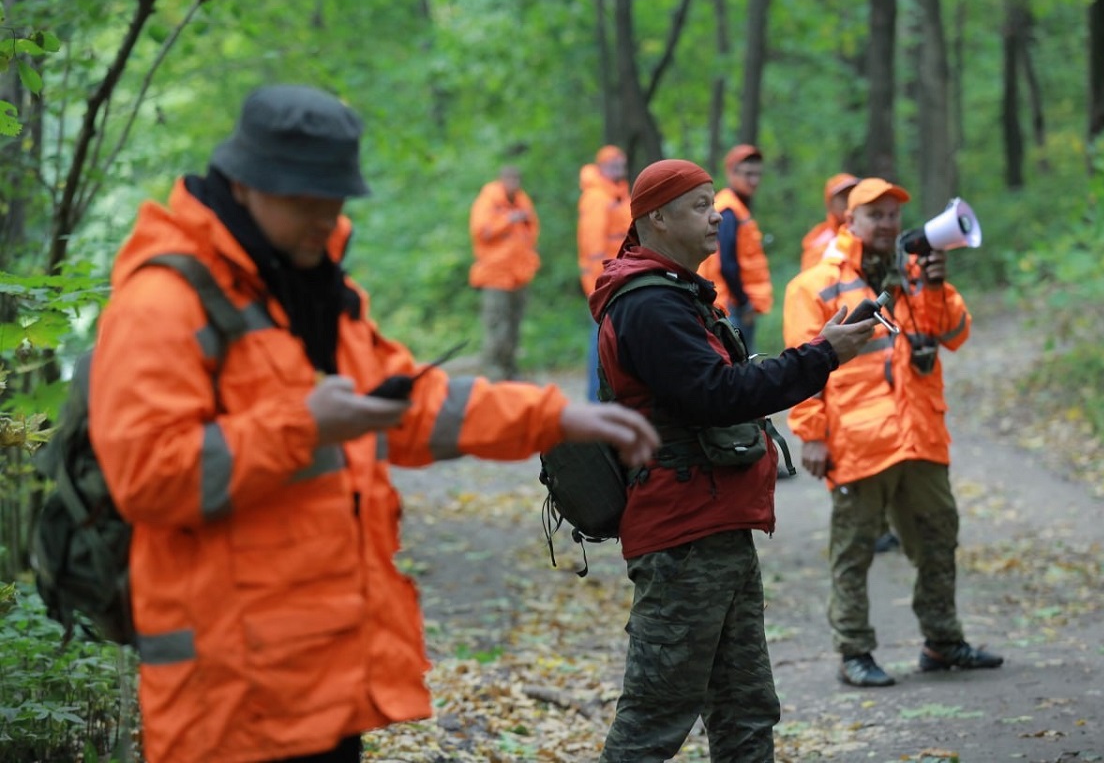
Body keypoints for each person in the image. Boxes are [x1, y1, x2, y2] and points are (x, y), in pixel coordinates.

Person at [87, 84, 660, 763]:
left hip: (325, 676)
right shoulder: (163, 303)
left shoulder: (313, 290)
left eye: (333, 201)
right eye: (305, 201)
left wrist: (556, 415)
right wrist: (303, 425)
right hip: (224, 694)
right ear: (243, 185)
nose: (324, 219)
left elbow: (412, 408)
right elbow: (148, 479)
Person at [591, 159, 878, 761]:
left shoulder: (676, 296)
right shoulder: (649, 306)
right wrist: (822, 355)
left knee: (746, 710)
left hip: (715, 527)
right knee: (654, 721)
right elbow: (717, 395)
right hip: (681, 535)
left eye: (712, 202)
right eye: (699, 205)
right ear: (657, 219)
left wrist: (818, 352)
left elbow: (722, 385)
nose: (716, 214)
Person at [782, 177, 1004, 688]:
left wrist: (935, 285)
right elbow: (800, 367)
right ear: (850, 221)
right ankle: (854, 651)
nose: (886, 223)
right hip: (859, 442)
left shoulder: (916, 273)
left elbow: (954, 334)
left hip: (920, 435)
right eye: (874, 214)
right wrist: (811, 434)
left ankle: (942, 642)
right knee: (854, 548)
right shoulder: (812, 285)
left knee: (937, 538)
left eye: (893, 215)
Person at [696, 144, 773, 353]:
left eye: (757, 174)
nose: (754, 180)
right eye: (748, 174)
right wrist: (744, 302)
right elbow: (727, 263)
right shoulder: (728, 210)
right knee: (740, 370)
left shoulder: (735, 207)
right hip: (731, 306)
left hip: (730, 304)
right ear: (731, 173)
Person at [468, 164, 539, 379]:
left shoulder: (522, 200)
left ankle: (510, 371)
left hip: (519, 275)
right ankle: (494, 375)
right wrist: (508, 221)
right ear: (501, 179)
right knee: (497, 327)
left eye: (516, 179)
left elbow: (533, 229)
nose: (513, 183)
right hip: (495, 276)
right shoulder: (487, 200)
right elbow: (481, 231)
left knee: (514, 327)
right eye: (509, 179)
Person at [577, 144, 632, 401]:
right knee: (601, 339)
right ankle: (595, 400)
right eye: (613, 165)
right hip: (604, 280)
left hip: (618, 276)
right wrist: (598, 284)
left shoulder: (618, 194)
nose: (618, 169)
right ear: (601, 167)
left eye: (621, 164)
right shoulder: (598, 197)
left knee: (611, 340)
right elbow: (593, 246)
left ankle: (608, 398)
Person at [799, 172, 859, 272]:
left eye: (853, 194)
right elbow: (810, 278)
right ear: (830, 204)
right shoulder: (820, 239)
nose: (849, 201)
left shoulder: (870, 230)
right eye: (843, 197)